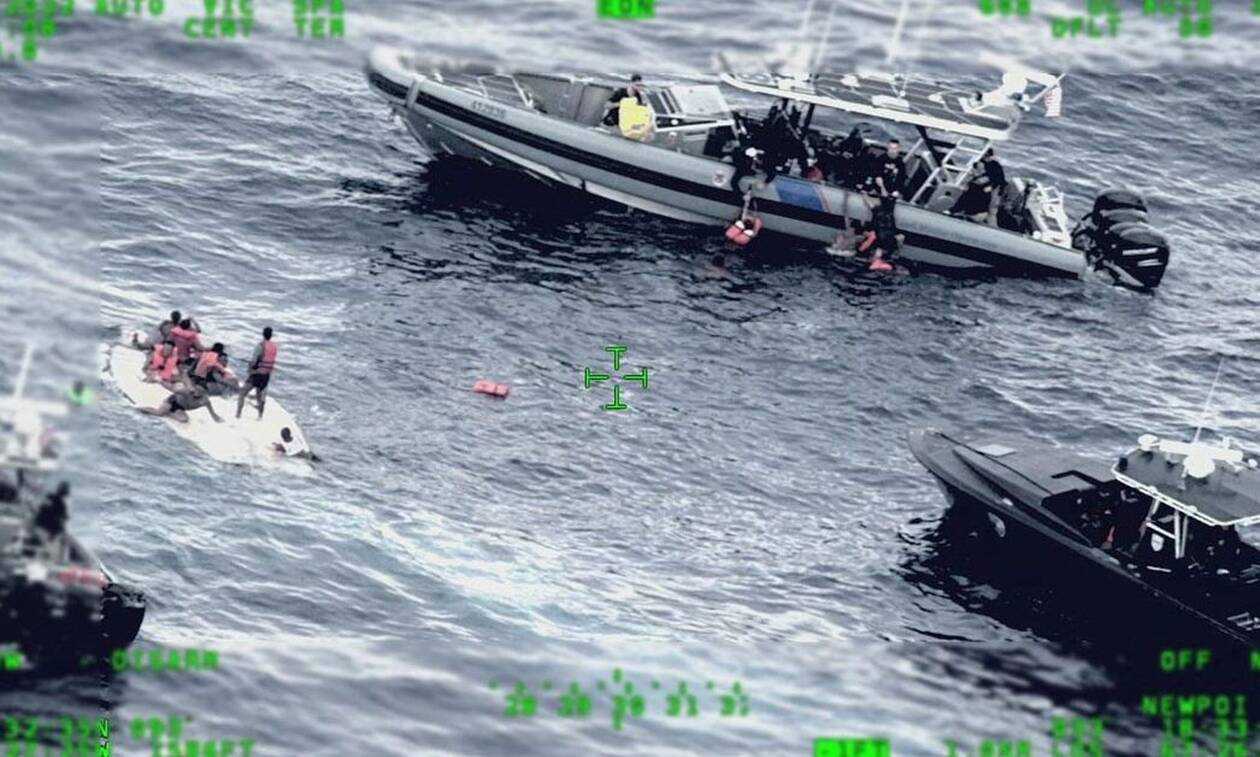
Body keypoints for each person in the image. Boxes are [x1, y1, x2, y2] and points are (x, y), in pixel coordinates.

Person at [236, 326, 278, 420]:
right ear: (271, 335)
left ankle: (238, 415)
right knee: (260, 395)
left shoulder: (260, 346)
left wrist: (249, 369)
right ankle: (260, 416)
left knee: (242, 392)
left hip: (257, 374)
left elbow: (254, 361)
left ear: (263, 334)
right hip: (266, 375)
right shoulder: (274, 347)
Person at [140, 384, 223, 423]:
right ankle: (139, 408)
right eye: (197, 390)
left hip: (180, 408)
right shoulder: (187, 392)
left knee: (184, 420)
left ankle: (168, 413)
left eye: (200, 391)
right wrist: (160, 381)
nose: (197, 392)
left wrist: (218, 419)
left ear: (204, 393)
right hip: (172, 401)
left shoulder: (205, 401)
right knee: (159, 413)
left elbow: (212, 413)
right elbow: (172, 389)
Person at [867, 193, 905, 271]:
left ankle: (879, 260)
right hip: (887, 234)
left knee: (882, 246)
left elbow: (871, 205)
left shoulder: (878, 211)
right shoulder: (887, 213)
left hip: (884, 234)